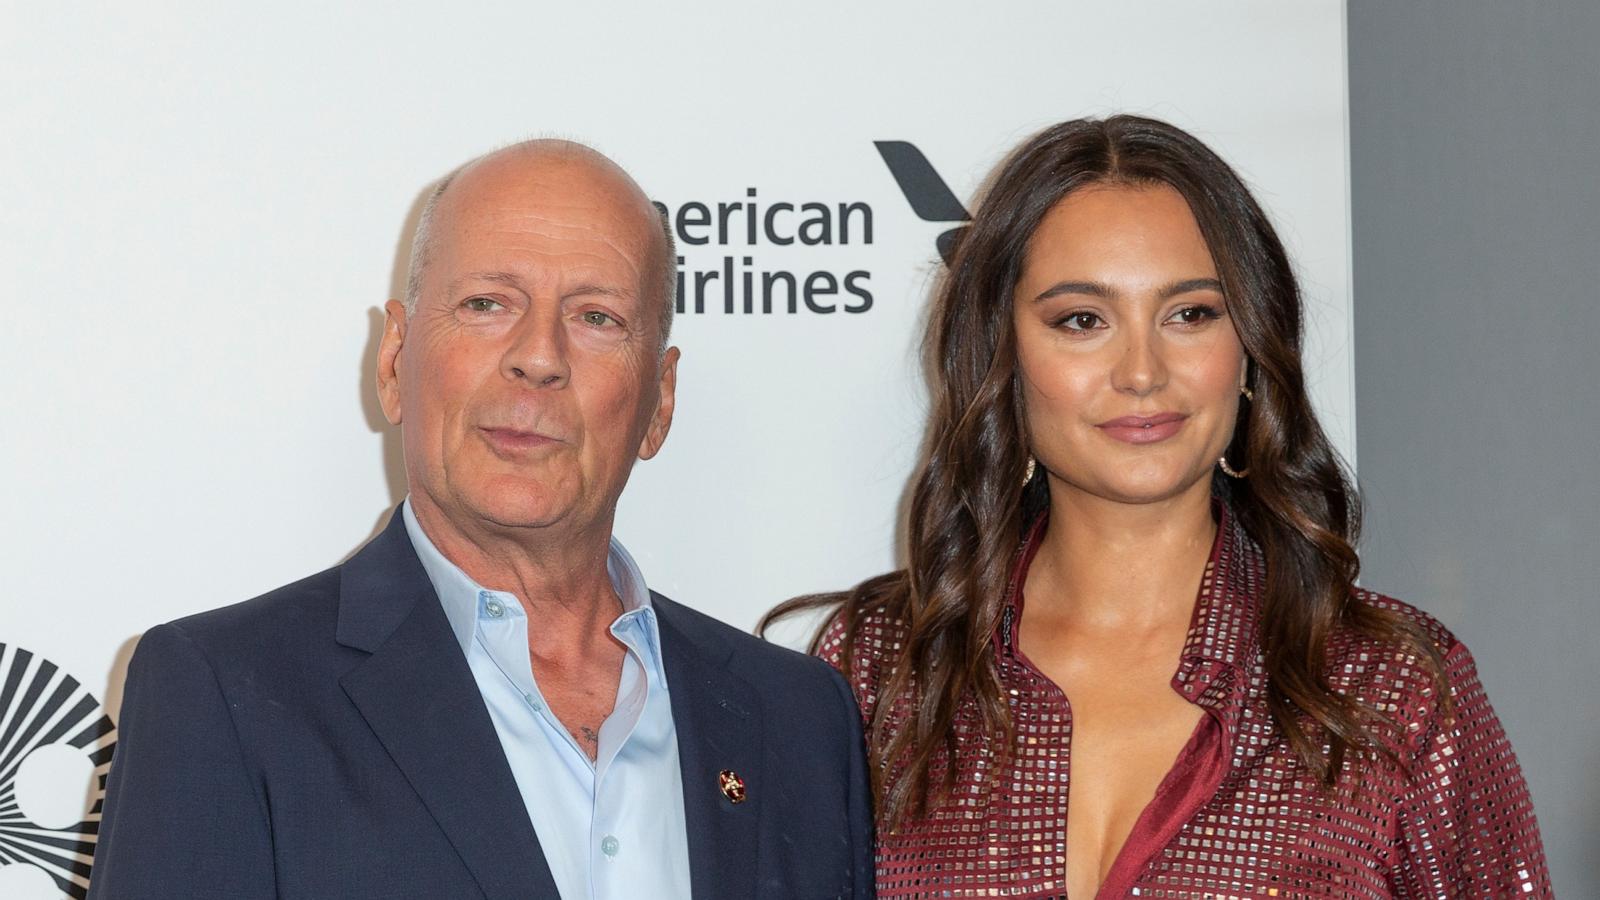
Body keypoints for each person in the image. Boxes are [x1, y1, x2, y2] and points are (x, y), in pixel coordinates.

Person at [766, 116, 1550, 898]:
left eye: (1190, 314)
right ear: (1003, 356)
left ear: (1249, 347)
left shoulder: (1387, 687)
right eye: (1082, 320)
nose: (1141, 371)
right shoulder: (885, 665)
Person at [88, 140, 873, 900]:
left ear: (659, 402)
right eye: (486, 304)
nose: (539, 356)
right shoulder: (223, 693)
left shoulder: (799, 719)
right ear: (394, 361)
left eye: (597, 317)